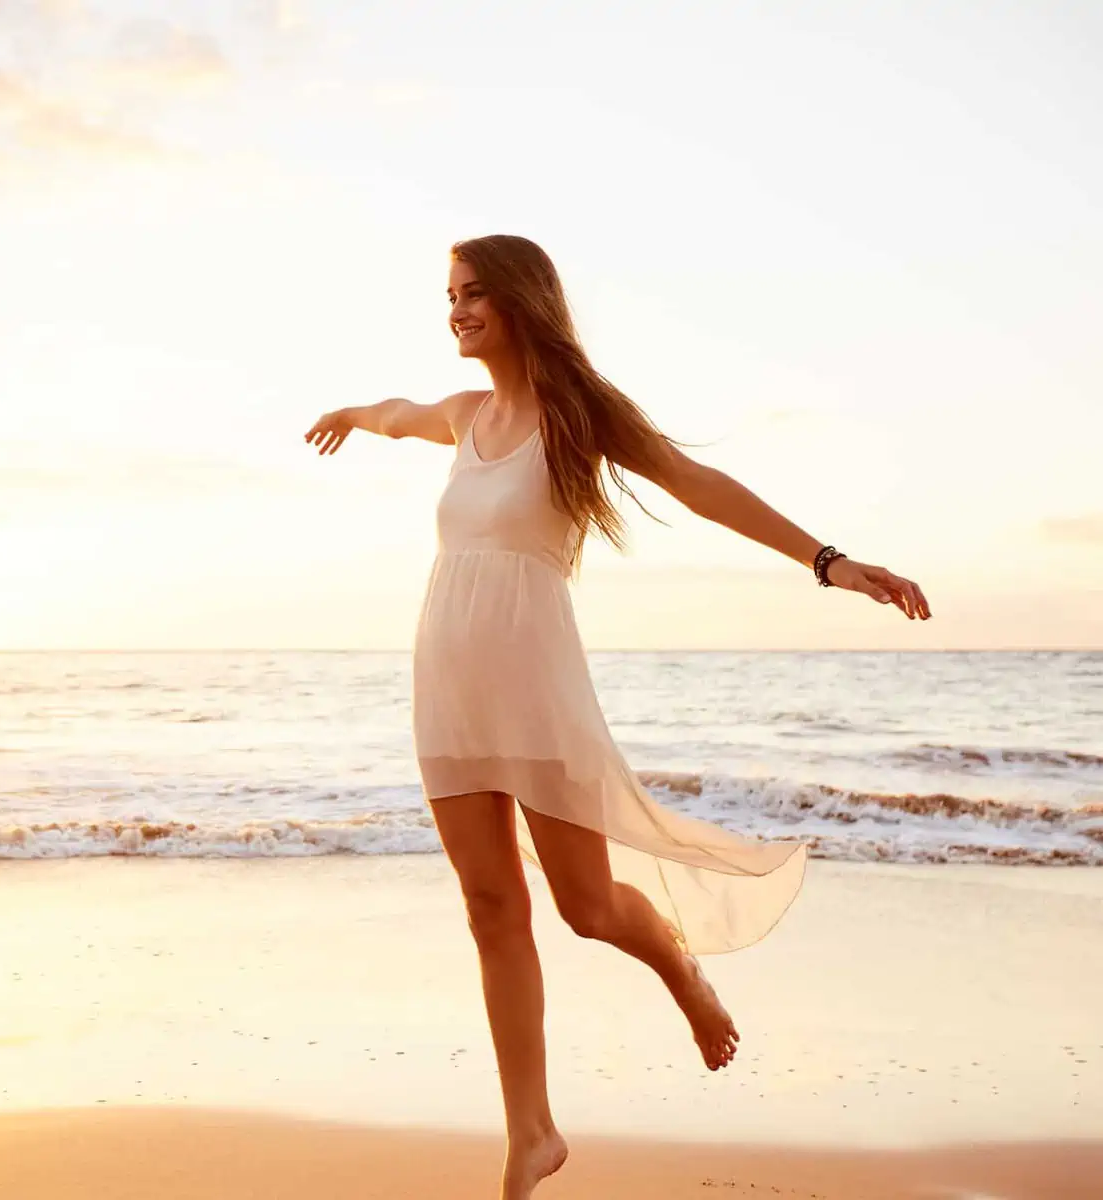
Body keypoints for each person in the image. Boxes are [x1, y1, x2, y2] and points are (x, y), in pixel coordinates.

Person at [302, 234, 931, 1198]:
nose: (456, 310)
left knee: (586, 908)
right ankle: (531, 1134)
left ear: (521, 300)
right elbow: (399, 414)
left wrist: (828, 561)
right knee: (489, 906)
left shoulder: (579, 416)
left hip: (535, 682)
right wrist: (351, 411)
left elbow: (698, 485)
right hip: (447, 680)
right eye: (449, 294)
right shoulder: (465, 415)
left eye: (473, 293)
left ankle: (682, 972)